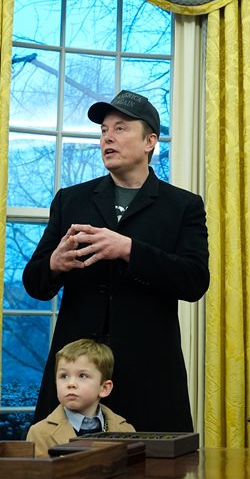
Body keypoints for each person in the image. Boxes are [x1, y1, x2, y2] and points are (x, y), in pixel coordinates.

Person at [23, 90, 210, 432]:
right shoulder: (70, 201)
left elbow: (195, 281)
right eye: (104, 130)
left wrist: (129, 249)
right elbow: (34, 282)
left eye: (120, 128)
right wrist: (55, 263)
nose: (107, 137)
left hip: (149, 372)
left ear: (150, 142)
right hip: (78, 375)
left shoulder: (183, 206)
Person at [26, 339, 135, 457]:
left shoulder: (126, 430)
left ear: (104, 388)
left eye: (82, 376)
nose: (71, 384)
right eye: (64, 376)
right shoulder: (39, 433)